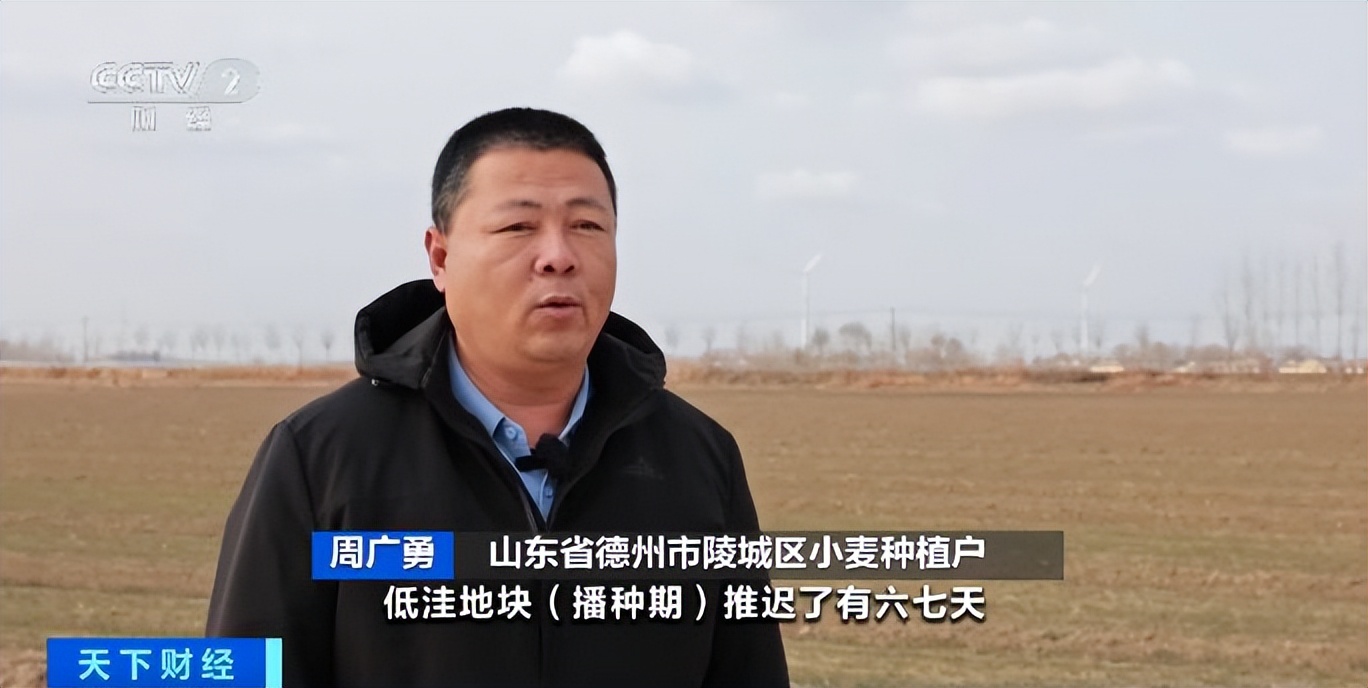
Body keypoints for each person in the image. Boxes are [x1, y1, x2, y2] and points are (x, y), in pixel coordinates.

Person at [205, 107, 789, 686]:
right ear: (440, 257)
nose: (559, 256)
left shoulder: (698, 457)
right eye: (518, 227)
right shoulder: (322, 458)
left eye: (588, 226)